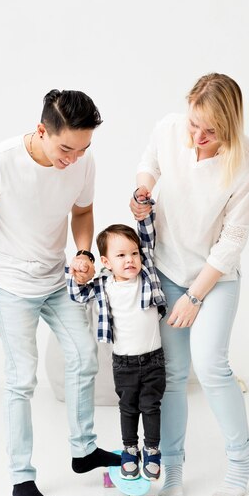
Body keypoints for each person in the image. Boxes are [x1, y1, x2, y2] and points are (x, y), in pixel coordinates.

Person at [0, 89, 120, 496]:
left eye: (83, 149)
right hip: (10, 284)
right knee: (21, 378)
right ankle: (21, 477)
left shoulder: (82, 162)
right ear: (41, 131)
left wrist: (84, 253)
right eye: (66, 148)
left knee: (85, 356)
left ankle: (84, 451)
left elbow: (82, 213)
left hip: (55, 278)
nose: (73, 158)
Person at [130, 72, 249, 496]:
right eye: (194, 124)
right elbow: (149, 163)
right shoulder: (170, 128)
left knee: (210, 366)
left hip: (216, 276)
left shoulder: (248, 159)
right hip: (168, 266)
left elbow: (233, 240)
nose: (198, 137)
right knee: (171, 375)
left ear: (230, 125)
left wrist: (195, 296)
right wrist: (142, 191)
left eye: (210, 131)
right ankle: (172, 471)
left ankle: (241, 460)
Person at [66, 199, 167, 480]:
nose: (130, 260)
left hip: (153, 359)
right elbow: (77, 294)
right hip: (123, 362)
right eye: (121, 256)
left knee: (151, 406)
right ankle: (129, 450)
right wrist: (78, 273)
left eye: (133, 253)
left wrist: (144, 209)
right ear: (107, 262)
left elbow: (146, 237)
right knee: (127, 407)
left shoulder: (147, 276)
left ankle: (153, 449)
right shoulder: (102, 285)